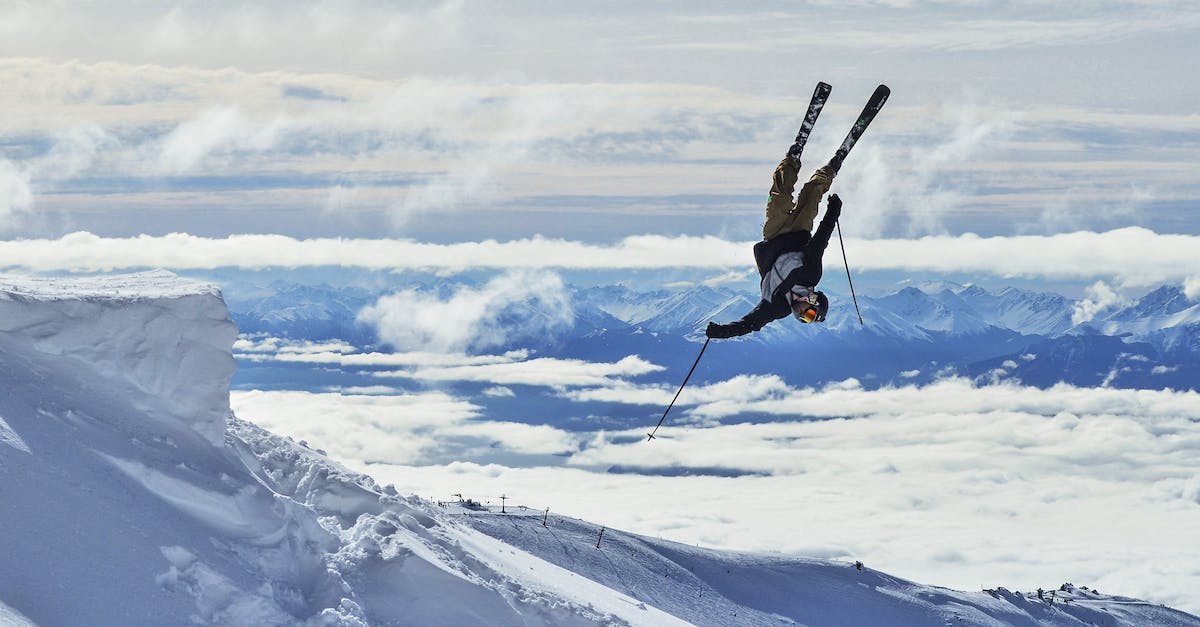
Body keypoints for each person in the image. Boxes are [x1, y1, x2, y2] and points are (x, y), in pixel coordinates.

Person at [705, 147, 843, 339]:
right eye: (810, 314)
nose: (802, 316)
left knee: (780, 196)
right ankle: (830, 170)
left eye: (806, 320)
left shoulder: (777, 307)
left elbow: (751, 322)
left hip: (775, 235)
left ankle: (791, 161)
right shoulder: (810, 276)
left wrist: (723, 332)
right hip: (798, 232)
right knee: (812, 194)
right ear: (813, 301)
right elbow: (820, 242)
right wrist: (833, 212)